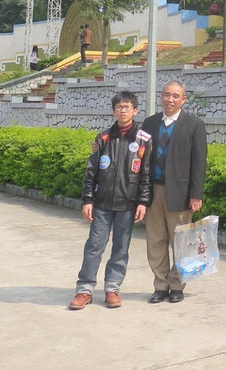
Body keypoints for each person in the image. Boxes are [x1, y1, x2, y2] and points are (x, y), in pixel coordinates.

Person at [69, 91, 154, 311]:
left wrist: (143, 202)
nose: (123, 110)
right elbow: (91, 172)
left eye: (127, 107)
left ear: (135, 111)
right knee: (94, 247)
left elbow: (146, 175)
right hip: (102, 203)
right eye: (119, 107)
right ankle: (84, 290)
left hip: (128, 204)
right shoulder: (103, 138)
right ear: (114, 111)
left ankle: (112, 289)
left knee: (121, 248)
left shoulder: (144, 140)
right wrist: (88, 200)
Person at [142, 80, 207, 304]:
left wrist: (196, 194)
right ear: (161, 96)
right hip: (153, 191)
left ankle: (177, 285)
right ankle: (160, 286)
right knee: (155, 240)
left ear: (183, 100)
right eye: (166, 94)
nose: (170, 99)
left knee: (180, 242)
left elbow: (199, 162)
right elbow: (138, 155)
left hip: (180, 193)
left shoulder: (194, 125)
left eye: (175, 96)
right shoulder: (150, 123)